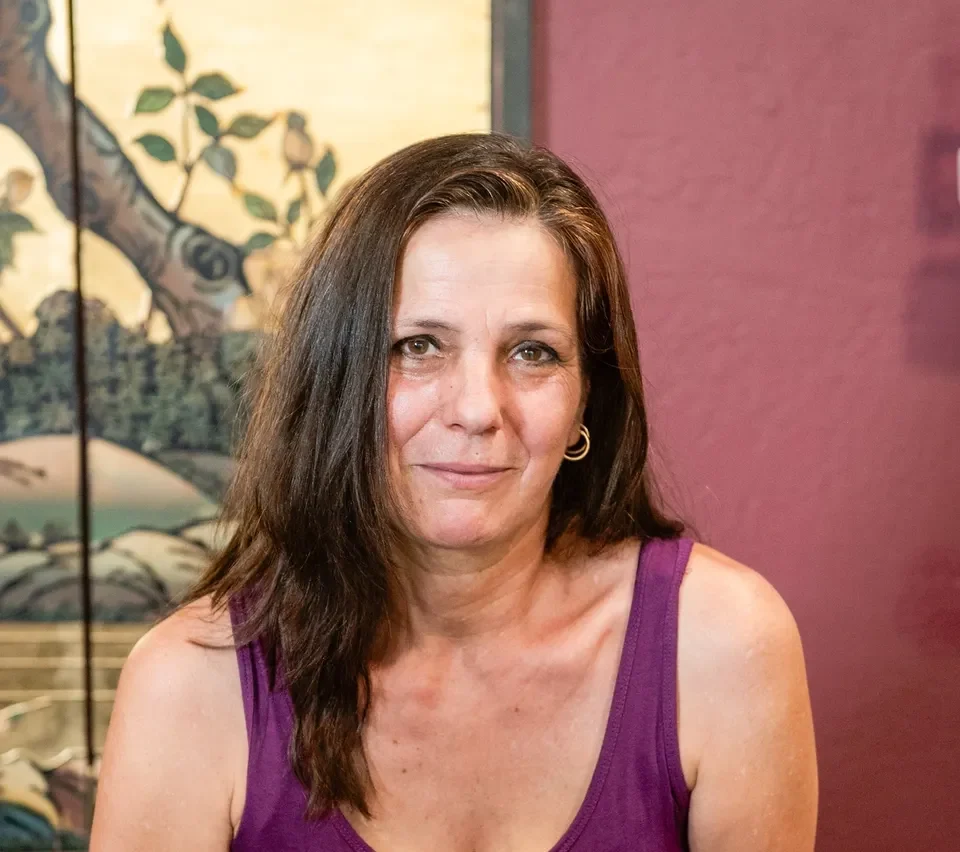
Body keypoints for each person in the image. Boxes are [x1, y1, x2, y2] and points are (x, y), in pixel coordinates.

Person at [90, 133, 818, 852]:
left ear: (583, 402)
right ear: (337, 379)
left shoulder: (722, 647)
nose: (477, 409)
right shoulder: (189, 689)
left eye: (533, 352)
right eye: (418, 347)